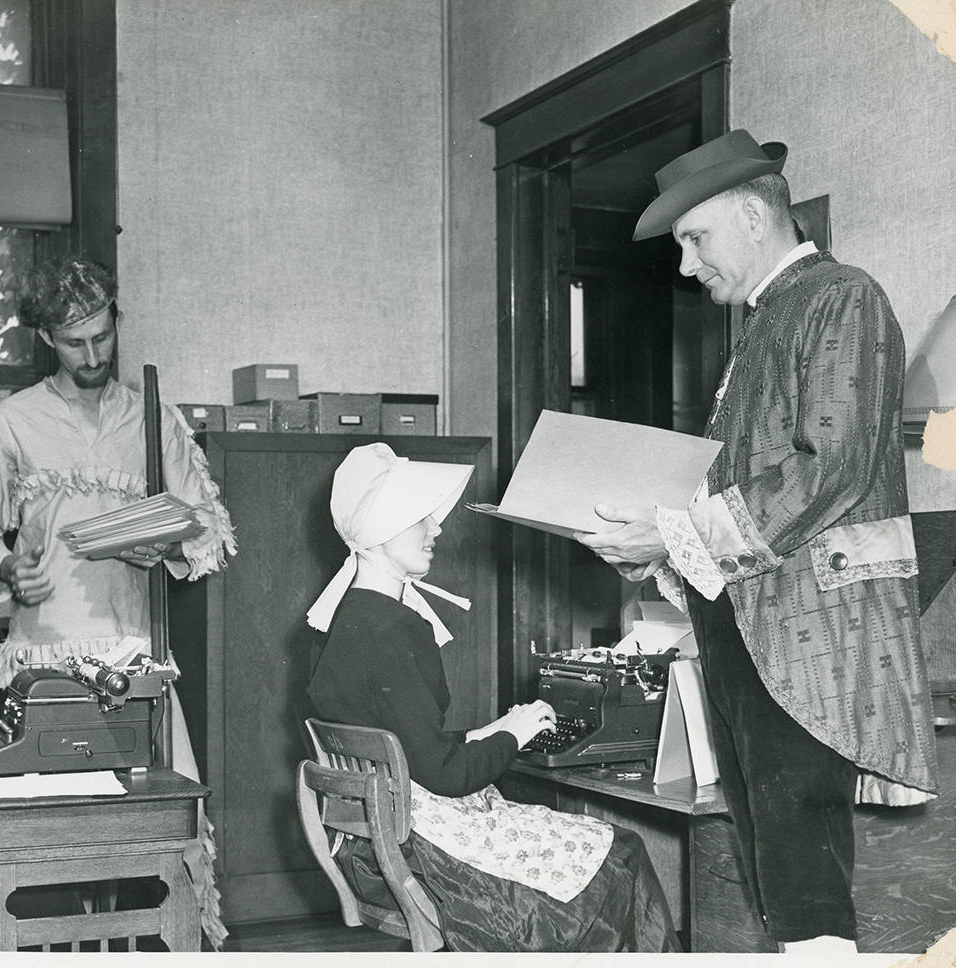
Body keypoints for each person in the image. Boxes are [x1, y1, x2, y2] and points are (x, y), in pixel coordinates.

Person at [576, 129, 939, 956]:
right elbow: (743, 485)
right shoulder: (768, 322)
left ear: (749, 213)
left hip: (810, 627)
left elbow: (832, 464)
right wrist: (660, 543)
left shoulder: (841, 296)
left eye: (693, 239)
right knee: (770, 842)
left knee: (799, 848)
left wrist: (675, 531)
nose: (685, 266)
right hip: (746, 620)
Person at [0, 254, 237, 948]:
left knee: (159, 837)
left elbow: (205, 525)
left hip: (134, 654)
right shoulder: (12, 420)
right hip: (44, 658)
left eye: (102, 337)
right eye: (75, 342)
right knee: (43, 846)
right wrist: (11, 565)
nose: (93, 353)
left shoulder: (152, 417)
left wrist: (160, 547)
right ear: (47, 338)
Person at [305, 443, 679, 952]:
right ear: (379, 527)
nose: (436, 530)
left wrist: (486, 732)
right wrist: (514, 733)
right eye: (420, 520)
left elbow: (404, 741)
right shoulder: (394, 629)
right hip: (429, 853)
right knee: (621, 849)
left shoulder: (349, 617)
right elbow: (448, 775)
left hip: (378, 844)